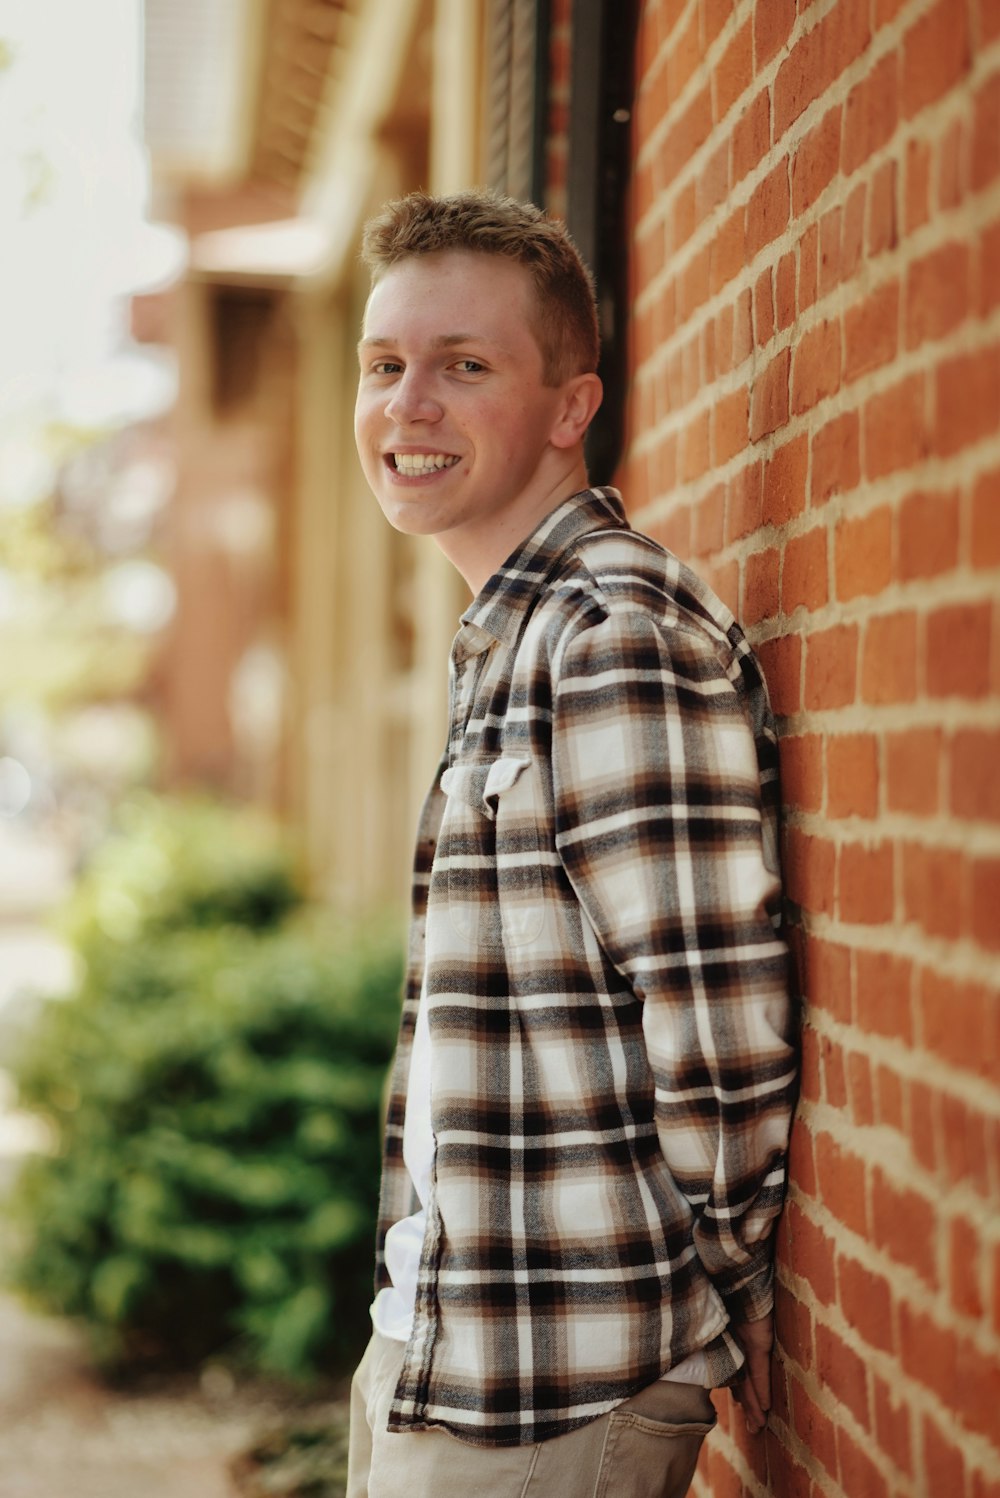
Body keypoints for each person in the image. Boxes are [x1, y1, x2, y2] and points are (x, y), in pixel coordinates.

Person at [347, 188, 796, 1498]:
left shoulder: (610, 640)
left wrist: (714, 1293)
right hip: (441, 1344)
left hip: (562, 1385)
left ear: (569, 407)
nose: (407, 403)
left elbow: (713, 1018)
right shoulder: (507, 637)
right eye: (385, 365)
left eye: (463, 365)